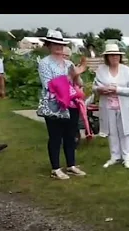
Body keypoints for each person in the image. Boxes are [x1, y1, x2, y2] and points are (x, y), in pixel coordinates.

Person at [37, 30, 88, 180]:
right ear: (48, 45)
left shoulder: (68, 63)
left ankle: (71, 165)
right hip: (54, 104)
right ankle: (55, 168)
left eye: (60, 44)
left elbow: (78, 83)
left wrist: (77, 74)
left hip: (70, 103)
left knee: (70, 134)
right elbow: (49, 85)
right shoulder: (44, 63)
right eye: (55, 44)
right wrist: (71, 76)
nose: (58, 47)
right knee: (55, 136)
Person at [94, 44, 129, 169]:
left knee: (125, 131)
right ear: (107, 57)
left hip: (123, 106)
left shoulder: (126, 70)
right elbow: (95, 87)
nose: (114, 57)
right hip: (108, 105)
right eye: (111, 55)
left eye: (116, 55)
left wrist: (117, 90)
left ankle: (127, 157)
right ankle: (115, 156)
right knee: (112, 131)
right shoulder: (101, 69)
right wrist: (101, 89)